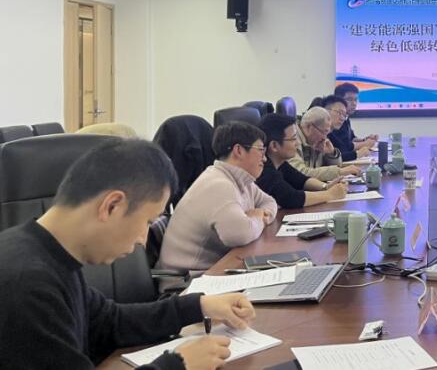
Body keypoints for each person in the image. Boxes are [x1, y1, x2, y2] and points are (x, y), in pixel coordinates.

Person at [0, 138, 255, 370]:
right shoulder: (26, 284)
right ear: (111, 206)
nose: (143, 240)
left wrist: (198, 306)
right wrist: (178, 365)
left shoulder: (52, 256)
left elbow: (110, 322)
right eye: (148, 221)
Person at [159, 122, 278, 272]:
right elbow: (239, 235)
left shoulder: (242, 181)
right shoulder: (218, 184)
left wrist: (256, 217)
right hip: (188, 279)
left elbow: (269, 202)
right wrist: (258, 217)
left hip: (214, 270)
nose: (265, 158)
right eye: (260, 150)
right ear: (239, 150)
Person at [256, 113, 348, 208]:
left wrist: (326, 187)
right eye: (293, 139)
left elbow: (302, 180)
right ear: (274, 146)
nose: (297, 143)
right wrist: (330, 194)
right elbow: (291, 198)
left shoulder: (280, 163)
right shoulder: (263, 169)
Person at [289, 107, 362, 181]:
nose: (325, 138)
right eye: (324, 132)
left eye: (327, 133)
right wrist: (339, 172)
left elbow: (333, 167)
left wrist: (331, 154)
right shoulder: (291, 139)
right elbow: (300, 174)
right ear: (309, 127)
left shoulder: (315, 140)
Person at [323, 95, 373, 161]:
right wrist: (357, 154)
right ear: (326, 111)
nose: (342, 118)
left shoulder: (330, 133)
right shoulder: (319, 133)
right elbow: (326, 161)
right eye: (339, 113)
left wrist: (364, 140)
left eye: (344, 115)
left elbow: (342, 150)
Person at [331, 82, 378, 153]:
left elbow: (351, 138)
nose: (354, 103)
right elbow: (345, 146)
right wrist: (365, 144)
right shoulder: (336, 120)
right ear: (338, 100)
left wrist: (365, 139)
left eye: (355, 100)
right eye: (349, 99)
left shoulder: (346, 117)